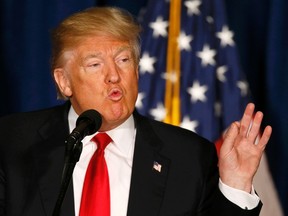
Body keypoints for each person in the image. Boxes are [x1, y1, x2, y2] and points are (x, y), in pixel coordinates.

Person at [0, 7, 272, 216]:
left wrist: (236, 185)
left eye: (123, 60)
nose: (114, 76)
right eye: (95, 64)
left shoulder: (189, 156)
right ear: (64, 81)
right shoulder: (12, 142)